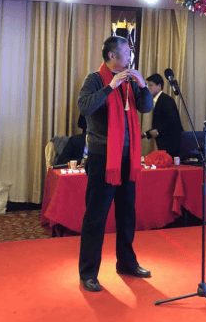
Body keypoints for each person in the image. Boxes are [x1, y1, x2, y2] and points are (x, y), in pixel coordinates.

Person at [77, 36, 153, 292]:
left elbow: (146, 108)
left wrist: (143, 86)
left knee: (127, 213)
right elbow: (84, 107)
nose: (130, 57)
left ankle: (127, 263)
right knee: (96, 217)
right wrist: (110, 86)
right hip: (103, 158)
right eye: (126, 53)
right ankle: (88, 272)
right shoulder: (95, 79)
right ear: (112, 56)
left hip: (128, 157)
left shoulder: (130, 81)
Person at [144, 73, 184, 158]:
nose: (148, 88)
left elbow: (172, 120)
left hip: (173, 145)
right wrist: (145, 134)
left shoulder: (166, 100)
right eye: (147, 85)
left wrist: (157, 131)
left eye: (150, 85)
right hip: (167, 144)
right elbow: (160, 124)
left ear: (159, 86)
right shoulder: (159, 100)